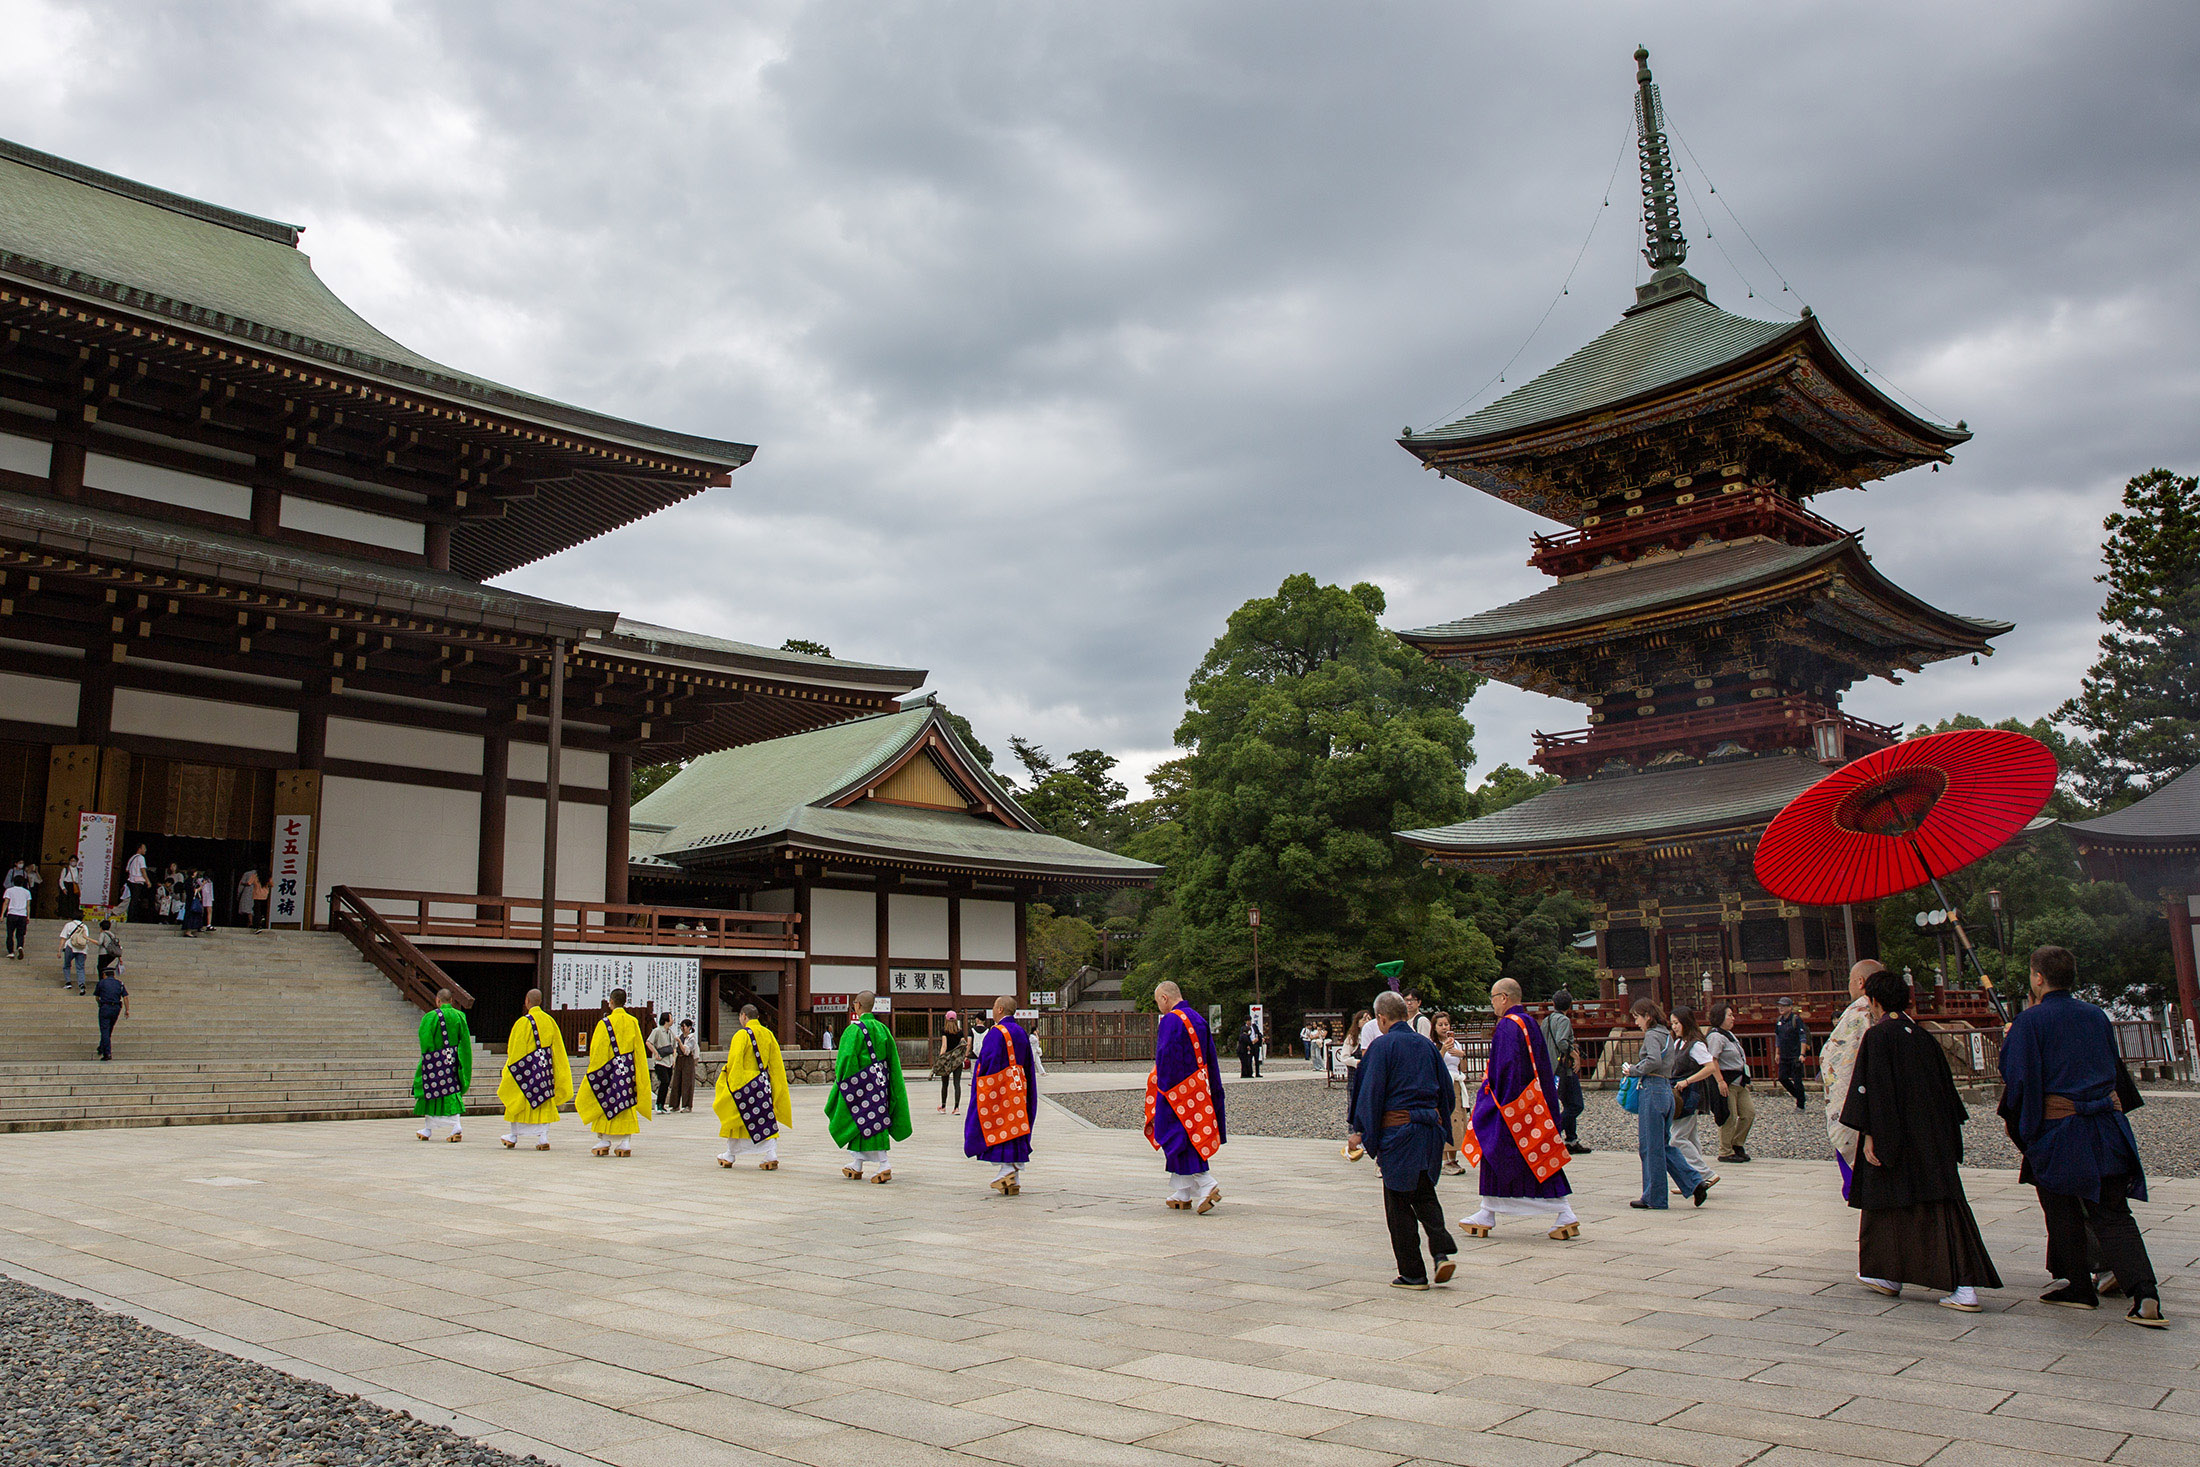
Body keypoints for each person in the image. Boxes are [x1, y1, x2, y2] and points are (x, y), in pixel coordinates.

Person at [2000, 945, 2166, 1327]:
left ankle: (2078, 1286)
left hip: (2061, 1128)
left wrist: (2025, 1130)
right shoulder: (2096, 1016)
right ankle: (2145, 1294)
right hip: (2105, 1124)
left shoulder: (2031, 1021)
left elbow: (2019, 1078)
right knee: (2114, 1214)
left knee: (2061, 1207)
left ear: (2038, 978)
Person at [1841, 967, 2001, 1312]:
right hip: (1931, 1137)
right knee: (1916, 1203)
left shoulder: (1880, 1036)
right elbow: (1946, 1094)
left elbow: (1875, 1091)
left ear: (1873, 1001)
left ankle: (1965, 1286)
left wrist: (1869, 1134)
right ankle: (1887, 1273)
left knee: (1905, 1203)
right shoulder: (1922, 1035)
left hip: (1895, 1136)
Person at [1459, 978, 1579, 1241]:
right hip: (1532, 1101)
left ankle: (1561, 1210)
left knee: (1500, 1154)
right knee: (1537, 1155)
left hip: (1510, 1104)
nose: (1491, 1003)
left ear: (1504, 998)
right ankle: (1488, 1210)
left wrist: (1496, 1100)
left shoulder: (1507, 1027)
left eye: (1493, 997)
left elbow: (1507, 1068)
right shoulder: (1529, 1023)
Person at [1351, 990, 1457, 1289]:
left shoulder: (1382, 1047)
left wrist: (1361, 1131)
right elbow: (1446, 1093)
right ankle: (1441, 1251)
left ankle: (1413, 1272)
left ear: (1382, 1018)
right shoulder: (1426, 1045)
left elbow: (1369, 1093)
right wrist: (1439, 1123)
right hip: (1429, 1129)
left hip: (1399, 1132)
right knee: (1424, 1192)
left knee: (1398, 1200)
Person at [1621, 998, 1709, 1210]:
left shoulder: (1652, 1035)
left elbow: (1653, 1060)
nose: (1636, 1023)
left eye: (1637, 1018)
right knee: (1662, 1144)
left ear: (1647, 1016)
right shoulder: (1666, 1034)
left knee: (1650, 1147)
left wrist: (1633, 1070)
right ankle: (1694, 1182)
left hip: (1652, 1089)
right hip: (1666, 1091)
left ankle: (1655, 1197)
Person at [1147, 980, 1226, 1212]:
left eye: (1158, 1002)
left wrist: (1161, 1086)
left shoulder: (1171, 1019)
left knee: (1178, 1135)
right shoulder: (1198, 1018)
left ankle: (1205, 1182)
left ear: (1165, 998)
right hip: (1199, 1087)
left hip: (1175, 1091)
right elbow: (1210, 1057)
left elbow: (1165, 1055)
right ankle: (1182, 1191)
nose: (1159, 1008)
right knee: (1193, 1131)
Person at [825, 992, 910, 1180]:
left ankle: (883, 1163)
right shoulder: (883, 1029)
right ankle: (857, 1164)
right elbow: (893, 1061)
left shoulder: (853, 1030)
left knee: (863, 1120)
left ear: (857, 1005)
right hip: (880, 1084)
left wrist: (845, 1082)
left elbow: (846, 1059)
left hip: (860, 1086)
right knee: (870, 1121)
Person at [966, 994, 1038, 1194]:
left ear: (999, 1010)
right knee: (1016, 1124)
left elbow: (986, 1061)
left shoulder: (997, 1033)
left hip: (1000, 1090)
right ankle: (1013, 1177)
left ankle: (1007, 1169)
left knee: (1000, 1124)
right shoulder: (1021, 1032)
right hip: (1019, 1088)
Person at [1823, 961, 1879, 1199]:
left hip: (1856, 1097)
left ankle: (1857, 1190)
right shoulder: (1886, 1012)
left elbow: (1839, 1059)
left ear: (1860, 982)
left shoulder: (1859, 1012)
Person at [715, 1002, 791, 1170]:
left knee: (738, 1120)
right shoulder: (768, 1034)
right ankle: (770, 1153)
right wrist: (775, 1086)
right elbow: (776, 1064)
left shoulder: (741, 1035)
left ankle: (730, 1154)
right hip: (762, 1084)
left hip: (744, 1083)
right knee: (765, 1119)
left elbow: (734, 1062)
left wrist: (732, 1086)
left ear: (744, 1016)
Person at [497, 987, 573, 1150]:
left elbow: (514, 1049)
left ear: (527, 1001)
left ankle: (513, 1136)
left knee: (519, 1100)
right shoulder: (549, 1021)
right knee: (544, 1100)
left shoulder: (522, 1022)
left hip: (525, 1071)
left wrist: (511, 1069)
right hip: (545, 1072)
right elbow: (558, 1048)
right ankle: (543, 1137)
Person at [577, 988, 648, 1156]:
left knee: (606, 1102)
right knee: (627, 1102)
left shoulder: (605, 1023)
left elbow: (597, 1051)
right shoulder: (632, 1022)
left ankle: (604, 1140)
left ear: (611, 1002)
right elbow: (639, 1049)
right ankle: (625, 1142)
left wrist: (596, 1071)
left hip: (609, 1072)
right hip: (627, 1071)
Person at [1667, 1008, 1726, 1192]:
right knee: (1690, 1137)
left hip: (1690, 1093)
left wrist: (1687, 1080)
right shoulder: (1678, 1043)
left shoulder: (1696, 1044)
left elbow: (1709, 1067)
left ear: (1686, 1022)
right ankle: (1694, 1180)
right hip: (1681, 1092)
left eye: (1677, 1022)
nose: (1674, 1026)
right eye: (1673, 1023)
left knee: (1676, 1138)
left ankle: (1704, 1174)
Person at [411, 988, 473, 1142]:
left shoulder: (430, 1017)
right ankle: (443, 1126)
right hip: (452, 1059)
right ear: (451, 1001)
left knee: (431, 1092)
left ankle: (434, 1128)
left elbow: (425, 1040)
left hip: (434, 1061)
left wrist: (430, 1059)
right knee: (452, 1090)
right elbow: (465, 1043)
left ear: (437, 1001)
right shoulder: (459, 1016)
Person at [1541, 989, 1589, 1153]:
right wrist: (1574, 1053)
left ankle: (1571, 1140)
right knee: (1576, 1105)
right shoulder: (1564, 1020)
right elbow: (1562, 1042)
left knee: (1567, 1102)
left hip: (1550, 1068)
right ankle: (1553, 1131)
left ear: (1553, 1004)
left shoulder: (1546, 1021)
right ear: (1570, 1005)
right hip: (1564, 1069)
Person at [1708, 1003, 1755, 1164]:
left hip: (1740, 1082)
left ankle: (1737, 1143)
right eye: (1729, 1015)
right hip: (1727, 1081)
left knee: (1748, 1113)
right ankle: (1725, 1150)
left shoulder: (1729, 1034)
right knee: (1730, 1116)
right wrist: (1720, 1081)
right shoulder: (1715, 1036)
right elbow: (1712, 1060)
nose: (1732, 1018)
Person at [1434, 1011, 1467, 1175]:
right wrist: (1443, 1050)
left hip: (1456, 1081)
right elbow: (1434, 1064)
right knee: (1445, 1118)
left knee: (1457, 1119)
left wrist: (1462, 1055)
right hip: (1442, 1083)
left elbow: (1464, 1067)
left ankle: (1453, 1157)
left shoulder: (1457, 1043)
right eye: (1440, 1025)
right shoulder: (1433, 1044)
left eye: (1446, 1024)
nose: (1444, 1027)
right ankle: (1444, 1159)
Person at [1339, 1008, 1373, 1161]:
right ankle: (1355, 1136)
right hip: (1356, 1075)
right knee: (1355, 1105)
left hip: (1370, 1076)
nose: (1366, 1021)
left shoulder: (1374, 1035)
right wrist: (1356, 1062)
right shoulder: (1352, 1038)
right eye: (1363, 1018)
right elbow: (1344, 1056)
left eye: (1369, 1018)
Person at [1775, 996, 1813, 1109]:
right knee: (1782, 1077)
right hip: (1784, 1054)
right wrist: (1777, 1053)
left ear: (1790, 1007)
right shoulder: (1779, 1021)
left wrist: (1802, 1054)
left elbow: (1802, 1037)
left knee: (1797, 1080)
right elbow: (1778, 1037)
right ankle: (1799, 1096)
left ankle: (1800, 1104)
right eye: (1779, 1006)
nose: (1781, 1008)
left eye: (1784, 1006)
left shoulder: (1796, 1020)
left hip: (1795, 1054)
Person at [933, 1009, 969, 1113]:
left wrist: (940, 1058)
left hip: (947, 1061)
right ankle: (956, 1108)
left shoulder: (944, 1031)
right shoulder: (960, 1031)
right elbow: (963, 1044)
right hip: (957, 1061)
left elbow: (944, 1046)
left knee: (945, 1084)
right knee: (957, 1083)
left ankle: (943, 1107)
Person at [92, 962, 128, 1060]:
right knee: (109, 1029)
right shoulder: (120, 983)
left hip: (105, 1007)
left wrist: (100, 1003)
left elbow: (97, 997)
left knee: (104, 1029)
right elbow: (125, 997)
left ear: (104, 974)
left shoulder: (101, 983)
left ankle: (107, 1053)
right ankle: (102, 1047)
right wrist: (127, 1010)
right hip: (116, 1008)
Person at [648, 1013, 678, 1114]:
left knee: (667, 1082)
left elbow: (674, 1046)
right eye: (671, 1018)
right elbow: (648, 1042)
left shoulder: (670, 1032)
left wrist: (673, 1059)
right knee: (664, 1081)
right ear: (666, 1020)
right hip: (660, 1062)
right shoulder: (657, 1031)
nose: (672, 1020)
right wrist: (656, 1053)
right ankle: (658, 1104)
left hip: (669, 1062)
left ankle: (662, 1105)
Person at [57, 910, 91, 993]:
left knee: (67, 965)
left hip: (70, 947)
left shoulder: (69, 925)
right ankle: (81, 984)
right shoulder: (84, 926)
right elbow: (86, 939)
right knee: (80, 967)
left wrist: (59, 950)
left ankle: (68, 982)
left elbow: (63, 938)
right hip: (82, 949)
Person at [672, 1019, 698, 1111]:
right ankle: (674, 1105)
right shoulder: (681, 1036)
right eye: (681, 1027)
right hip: (679, 1059)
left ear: (689, 1027)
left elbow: (686, 1051)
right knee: (676, 1082)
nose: (683, 1029)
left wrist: (679, 1042)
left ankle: (687, 1105)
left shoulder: (691, 1038)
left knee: (687, 1082)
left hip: (687, 1060)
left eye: (684, 1026)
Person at [3, 873, 30, 960]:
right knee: (20, 934)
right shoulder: (27, 892)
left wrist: (2, 915)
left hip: (12, 914)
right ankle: (20, 946)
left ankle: (11, 952)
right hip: (22, 915)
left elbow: (6, 902)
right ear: (22, 883)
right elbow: (28, 906)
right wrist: (28, 916)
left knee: (10, 933)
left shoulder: (9, 891)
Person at [124, 844, 151, 922]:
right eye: (144, 848)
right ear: (139, 848)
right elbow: (143, 870)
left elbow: (127, 870)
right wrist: (147, 881)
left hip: (130, 880)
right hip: (137, 882)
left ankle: (130, 917)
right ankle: (132, 918)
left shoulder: (132, 858)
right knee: (135, 901)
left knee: (133, 899)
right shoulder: (141, 858)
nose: (145, 850)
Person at [94, 919, 121, 985]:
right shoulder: (112, 934)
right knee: (104, 967)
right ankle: (105, 979)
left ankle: (102, 981)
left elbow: (99, 943)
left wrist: (89, 939)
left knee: (100, 967)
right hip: (111, 954)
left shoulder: (103, 934)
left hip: (103, 953)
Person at [58, 855, 81, 919]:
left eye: (74, 861)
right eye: (72, 861)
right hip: (67, 886)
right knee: (65, 902)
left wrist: (79, 890)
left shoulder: (78, 870)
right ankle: (63, 916)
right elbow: (61, 880)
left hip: (74, 887)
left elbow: (79, 880)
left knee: (73, 902)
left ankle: (72, 916)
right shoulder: (66, 869)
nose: (73, 862)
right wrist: (63, 888)